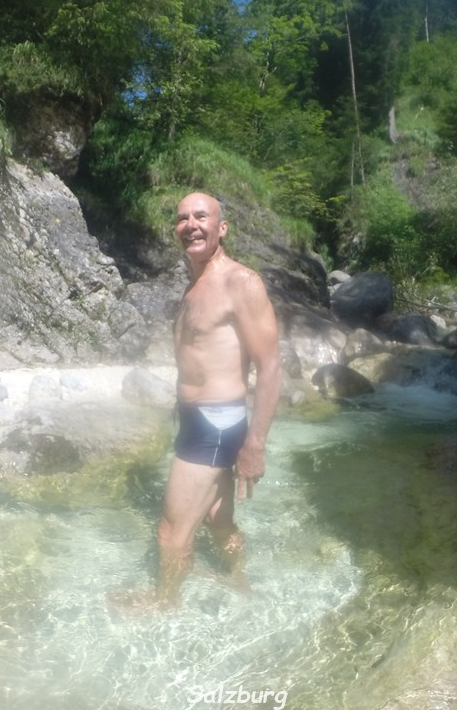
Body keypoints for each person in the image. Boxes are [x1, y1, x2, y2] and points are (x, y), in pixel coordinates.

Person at [124, 191, 282, 610]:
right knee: (217, 519)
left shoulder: (239, 282)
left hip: (214, 425)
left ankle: (165, 602)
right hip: (202, 421)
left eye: (201, 216)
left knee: (171, 532)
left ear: (221, 228)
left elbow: (270, 366)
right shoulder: (194, 287)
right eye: (182, 218)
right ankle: (238, 581)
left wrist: (255, 444)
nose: (190, 225)